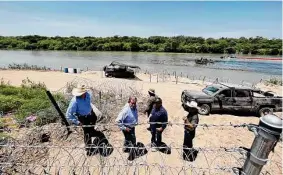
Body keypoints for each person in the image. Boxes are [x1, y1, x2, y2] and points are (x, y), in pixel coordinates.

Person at [66, 84, 100, 155]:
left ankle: (92, 132)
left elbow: (89, 102)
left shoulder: (87, 94)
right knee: (87, 133)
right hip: (84, 118)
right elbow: (68, 115)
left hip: (91, 114)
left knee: (91, 128)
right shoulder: (74, 102)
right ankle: (89, 149)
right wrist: (77, 122)